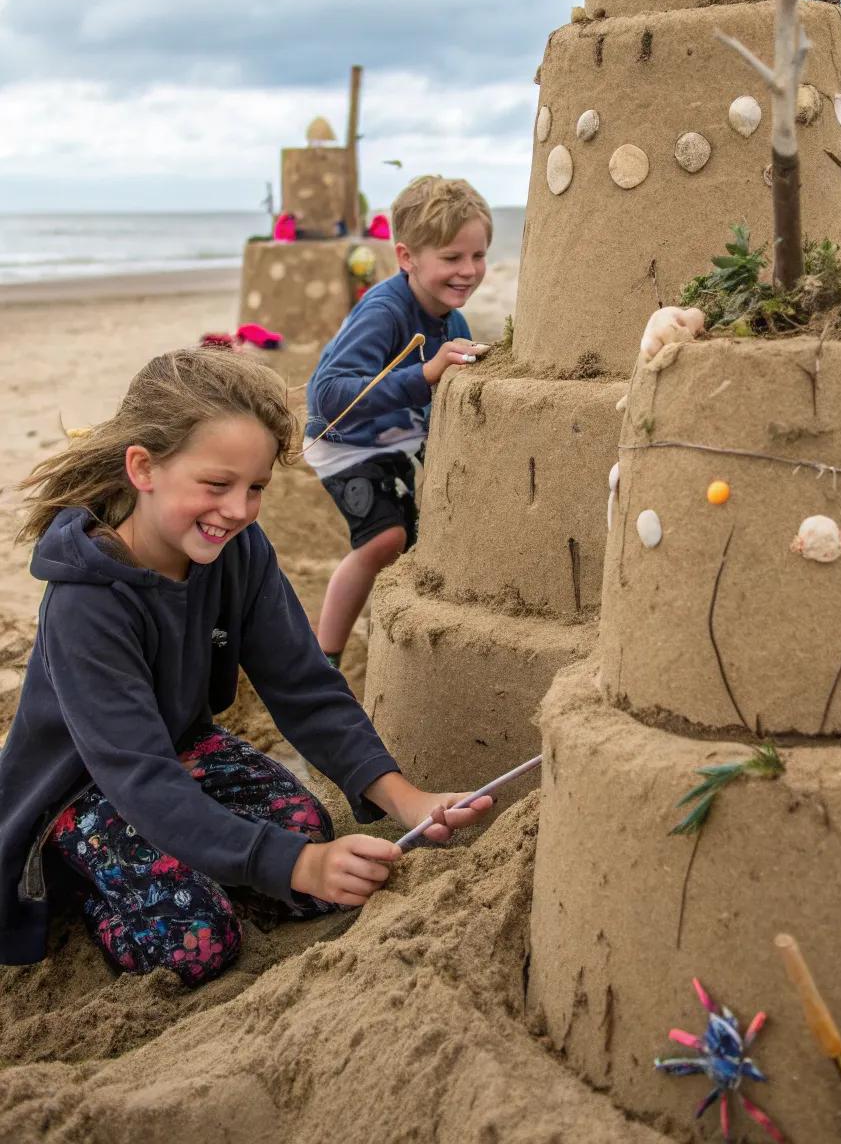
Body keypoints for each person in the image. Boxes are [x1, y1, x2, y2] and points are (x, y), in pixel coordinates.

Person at [0, 348, 490, 985]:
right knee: (199, 943)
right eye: (216, 485)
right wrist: (297, 866)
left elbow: (304, 686)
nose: (237, 509)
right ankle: (90, 894)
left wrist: (407, 801)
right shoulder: (86, 603)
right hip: (83, 791)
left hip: (182, 751)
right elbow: (140, 778)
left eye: (254, 488)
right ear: (143, 468)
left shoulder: (238, 549)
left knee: (308, 832)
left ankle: (201, 868)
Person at [305, 176, 491, 662]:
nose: (468, 271)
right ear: (407, 257)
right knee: (384, 538)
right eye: (452, 258)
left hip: (398, 442)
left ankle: (388, 637)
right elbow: (327, 394)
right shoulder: (383, 312)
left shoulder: (455, 322)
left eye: (478, 256)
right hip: (346, 443)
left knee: (419, 537)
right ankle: (326, 655)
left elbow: (436, 405)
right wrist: (424, 374)